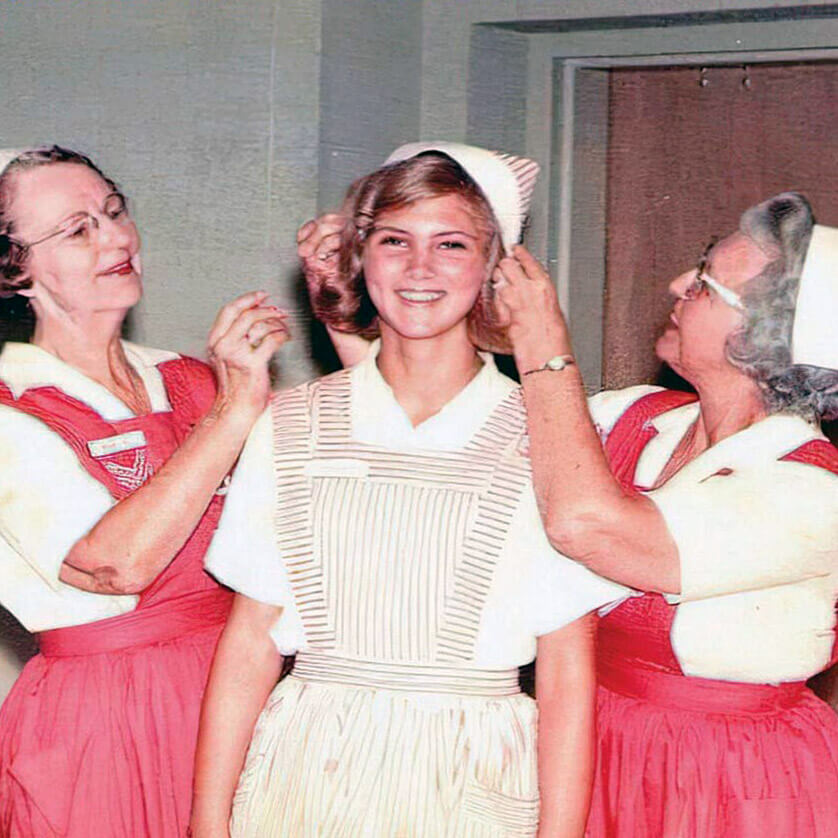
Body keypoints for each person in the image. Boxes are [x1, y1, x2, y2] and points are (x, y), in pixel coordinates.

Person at [190, 141, 624, 837]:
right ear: (360, 256)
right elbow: (249, 643)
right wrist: (208, 824)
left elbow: (568, 668)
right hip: (306, 766)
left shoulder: (548, 435)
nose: (420, 268)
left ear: (495, 267)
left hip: (472, 770)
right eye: (395, 240)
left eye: (451, 244)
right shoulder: (294, 423)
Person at [490, 191, 838, 836]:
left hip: (726, 779)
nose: (678, 283)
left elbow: (588, 527)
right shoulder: (637, 416)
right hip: (590, 742)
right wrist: (352, 311)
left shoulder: (811, 492)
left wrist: (544, 345)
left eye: (704, 284)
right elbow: (462, 441)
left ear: (762, 339)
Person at [0, 146, 288, 837]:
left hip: (239, 688)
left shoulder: (192, 379)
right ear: (16, 270)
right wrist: (234, 411)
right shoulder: (13, 406)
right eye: (78, 229)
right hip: (107, 720)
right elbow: (114, 565)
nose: (117, 237)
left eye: (114, 210)